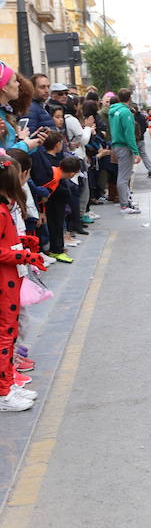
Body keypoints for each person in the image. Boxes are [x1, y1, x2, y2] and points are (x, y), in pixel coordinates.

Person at [0, 154, 46, 411]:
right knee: (5, 336)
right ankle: (4, 392)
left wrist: (23, 244)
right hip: (4, 280)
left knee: (11, 332)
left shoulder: (5, 208)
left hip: (11, 279)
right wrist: (25, 254)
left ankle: (8, 385)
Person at [109, 89, 141, 214]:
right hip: (124, 146)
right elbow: (129, 134)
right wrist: (135, 151)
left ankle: (127, 201)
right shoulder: (125, 112)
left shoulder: (113, 111)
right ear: (130, 98)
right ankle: (124, 205)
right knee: (123, 177)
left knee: (122, 175)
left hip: (116, 145)